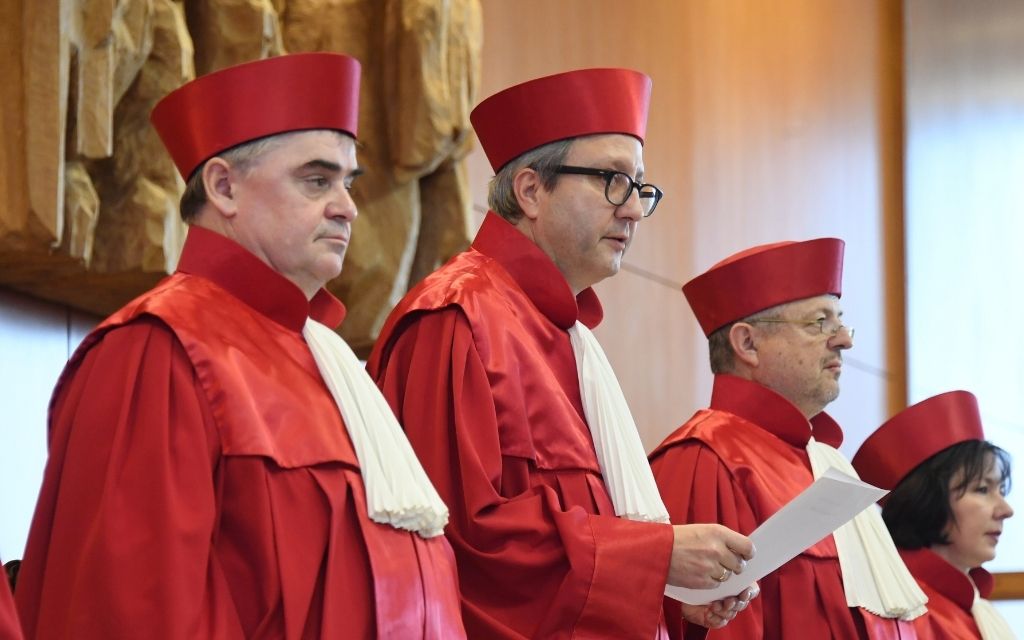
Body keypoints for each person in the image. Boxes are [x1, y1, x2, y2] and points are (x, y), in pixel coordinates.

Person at [15, 53, 466, 639]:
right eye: (316, 179)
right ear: (224, 186)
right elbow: (134, 616)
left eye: (347, 183)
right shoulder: (157, 352)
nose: (348, 206)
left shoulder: (330, 365)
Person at [368, 67, 757, 638]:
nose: (631, 210)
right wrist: (655, 558)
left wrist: (669, 592)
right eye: (612, 180)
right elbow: (463, 542)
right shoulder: (457, 319)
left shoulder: (569, 338)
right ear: (530, 190)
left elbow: (587, 540)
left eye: (639, 189)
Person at [649, 239, 927, 639]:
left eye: (840, 320)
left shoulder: (826, 463)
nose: (844, 340)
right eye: (818, 323)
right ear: (747, 343)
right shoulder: (708, 457)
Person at [851, 390, 1016, 639]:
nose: (1006, 510)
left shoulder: (973, 606)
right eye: (982, 489)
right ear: (926, 499)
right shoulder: (904, 613)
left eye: (1001, 490)